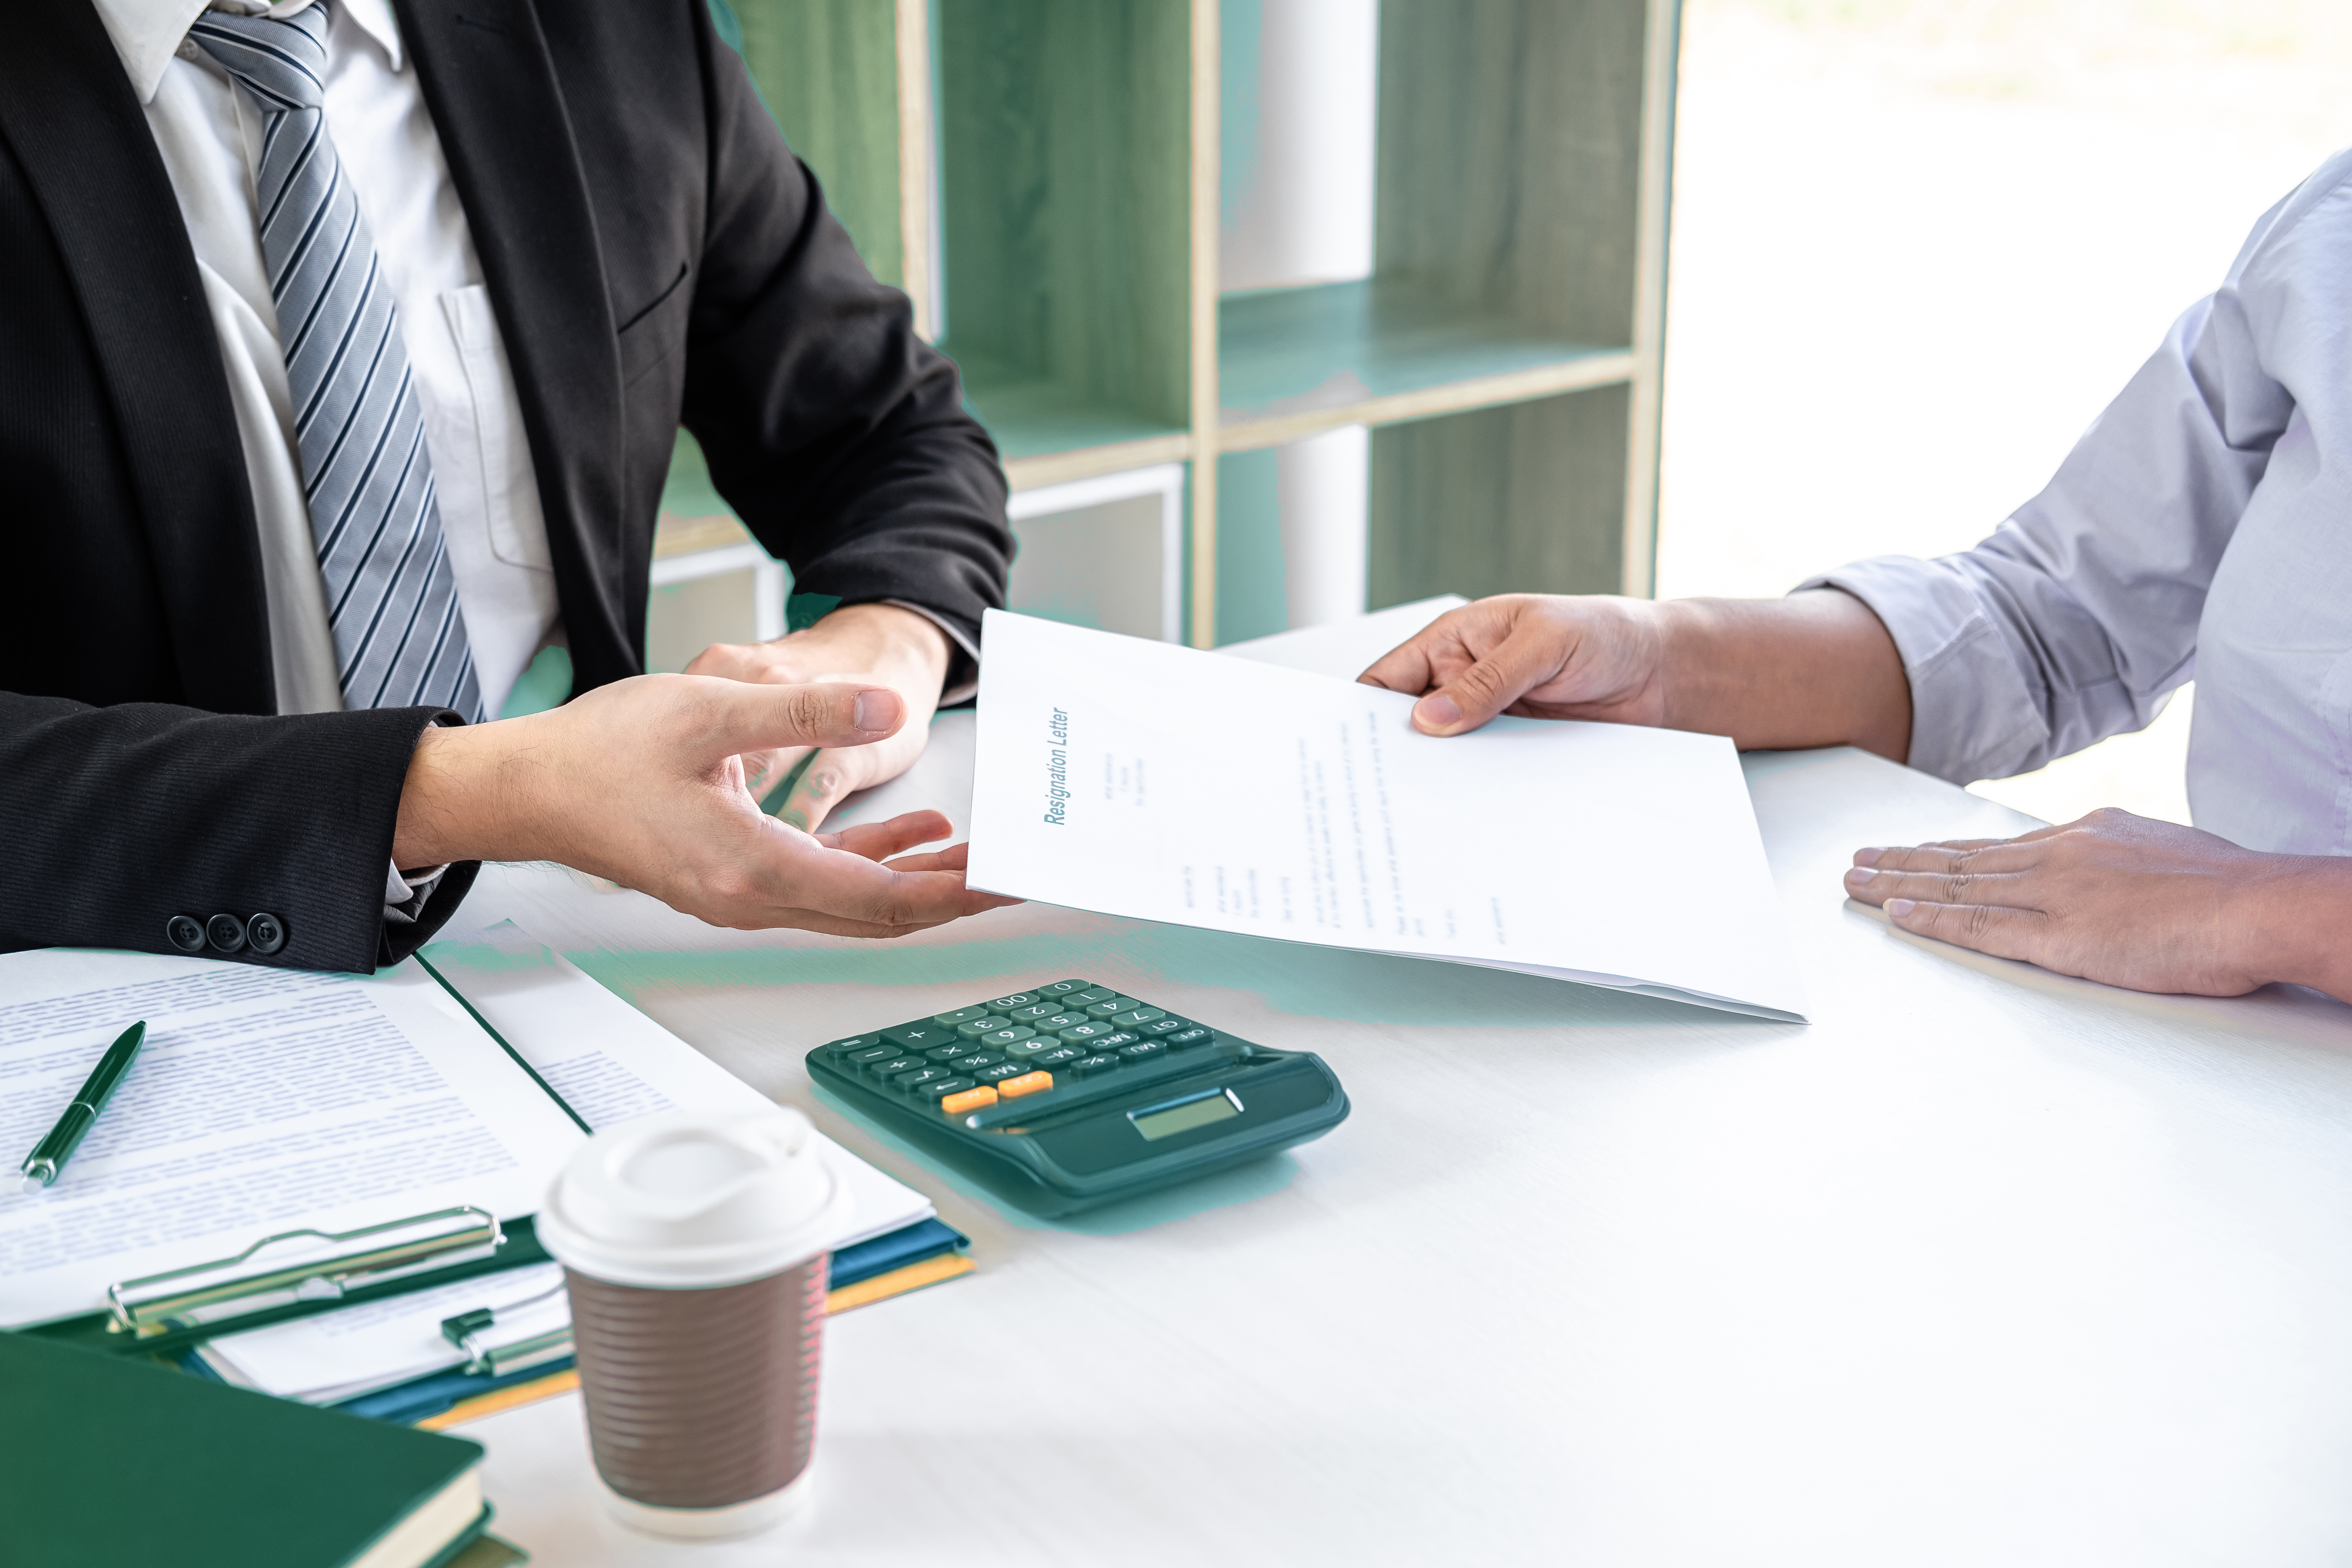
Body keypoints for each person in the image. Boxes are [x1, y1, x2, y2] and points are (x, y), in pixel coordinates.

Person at [0, 0, 1017, 972]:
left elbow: (888, 429)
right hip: (125, 971)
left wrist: (883, 643)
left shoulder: (620, 30)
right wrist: (468, 794)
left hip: (585, 934)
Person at [1361, 148, 2352, 1009]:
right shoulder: (2329, 241)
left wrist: (2275, 912)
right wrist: (1658, 659)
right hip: (2255, 1051)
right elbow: (2050, 621)